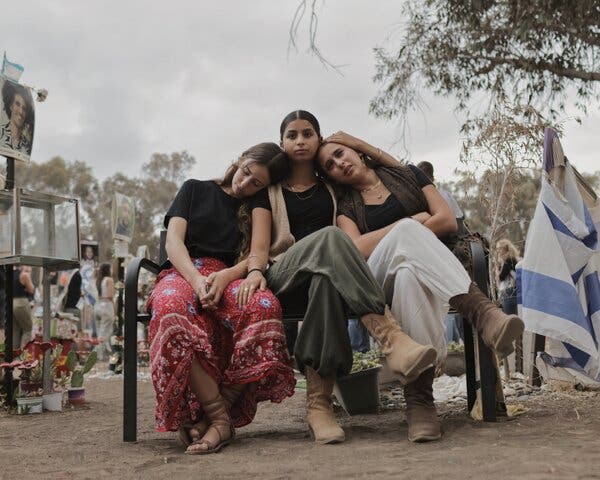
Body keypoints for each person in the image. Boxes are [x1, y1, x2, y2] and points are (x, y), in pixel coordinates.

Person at [240, 110, 437, 445]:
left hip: (331, 279)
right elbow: (260, 247)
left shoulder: (332, 186)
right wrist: (256, 270)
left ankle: (319, 405)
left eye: (307, 133)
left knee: (326, 278)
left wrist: (360, 145)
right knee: (333, 239)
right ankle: (390, 337)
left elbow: (397, 174)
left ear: (319, 139)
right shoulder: (268, 191)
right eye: (292, 135)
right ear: (282, 142)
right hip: (284, 276)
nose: (300, 141)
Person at [316, 135, 525, 442]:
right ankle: (482, 313)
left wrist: (408, 237)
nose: (338, 164)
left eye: (339, 153)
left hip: (426, 275)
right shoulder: (346, 206)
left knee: (409, 275)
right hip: (374, 283)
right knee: (406, 233)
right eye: (330, 166)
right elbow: (357, 249)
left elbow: (447, 222)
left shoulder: (410, 175)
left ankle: (420, 403)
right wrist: (411, 224)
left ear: (357, 151)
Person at [146, 142, 295, 455]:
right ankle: (219, 418)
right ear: (239, 159)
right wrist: (197, 281)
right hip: (184, 271)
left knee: (263, 306)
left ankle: (219, 416)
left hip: (230, 275)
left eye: (257, 182)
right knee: (171, 308)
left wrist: (225, 277)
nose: (245, 184)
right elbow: (174, 244)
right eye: (246, 173)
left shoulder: (257, 204)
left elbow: (259, 253)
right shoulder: (194, 189)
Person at [0, 81, 34, 156]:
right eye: (17, 104)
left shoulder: (27, 146)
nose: (20, 111)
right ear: (11, 106)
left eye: (24, 108)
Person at [94, 262, 115, 361]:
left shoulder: (99, 280)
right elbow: (110, 295)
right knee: (106, 332)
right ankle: (98, 355)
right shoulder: (109, 280)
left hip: (97, 306)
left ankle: (100, 354)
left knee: (100, 332)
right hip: (106, 306)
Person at [12, 265, 35, 347]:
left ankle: (13, 355)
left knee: (15, 331)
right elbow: (31, 289)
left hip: (10, 302)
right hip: (21, 302)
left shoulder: (8, 274)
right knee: (27, 329)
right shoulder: (24, 275)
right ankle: (25, 354)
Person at [496, 239, 519, 315]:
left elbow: (501, 277)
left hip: (509, 292)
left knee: (510, 317)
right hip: (511, 292)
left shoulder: (509, 261)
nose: (498, 251)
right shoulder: (511, 260)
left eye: (499, 249)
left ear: (505, 249)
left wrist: (497, 273)